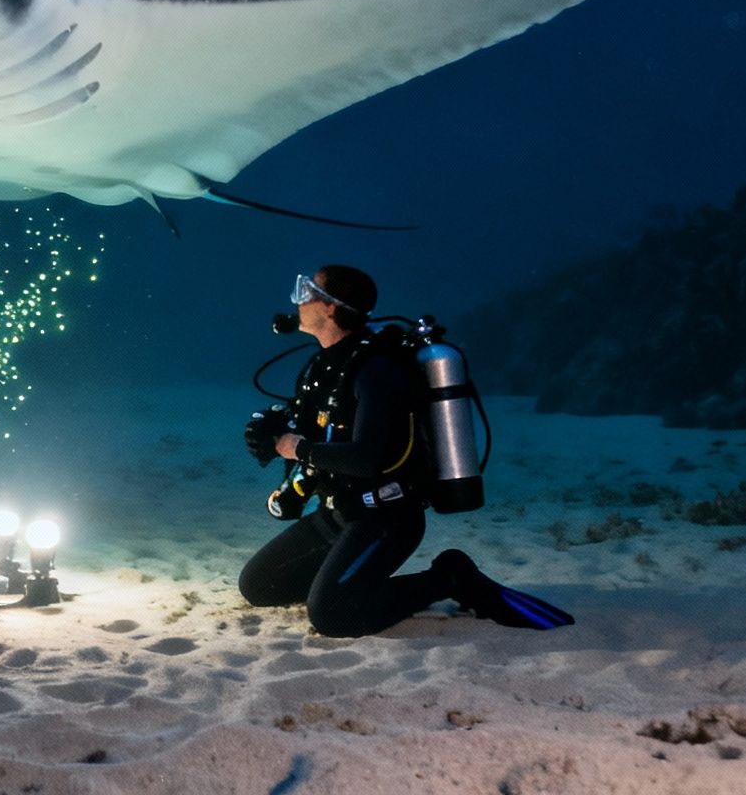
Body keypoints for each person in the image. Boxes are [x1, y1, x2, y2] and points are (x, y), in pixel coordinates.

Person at [238, 265, 573, 636]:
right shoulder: (321, 366)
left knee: (331, 615)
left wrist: (296, 447)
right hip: (338, 512)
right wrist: (272, 438)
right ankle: (344, 579)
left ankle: (450, 578)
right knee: (258, 586)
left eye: (307, 292)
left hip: (384, 518)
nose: (297, 300)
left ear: (331, 308)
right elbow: (315, 435)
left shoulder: (375, 370)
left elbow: (365, 459)